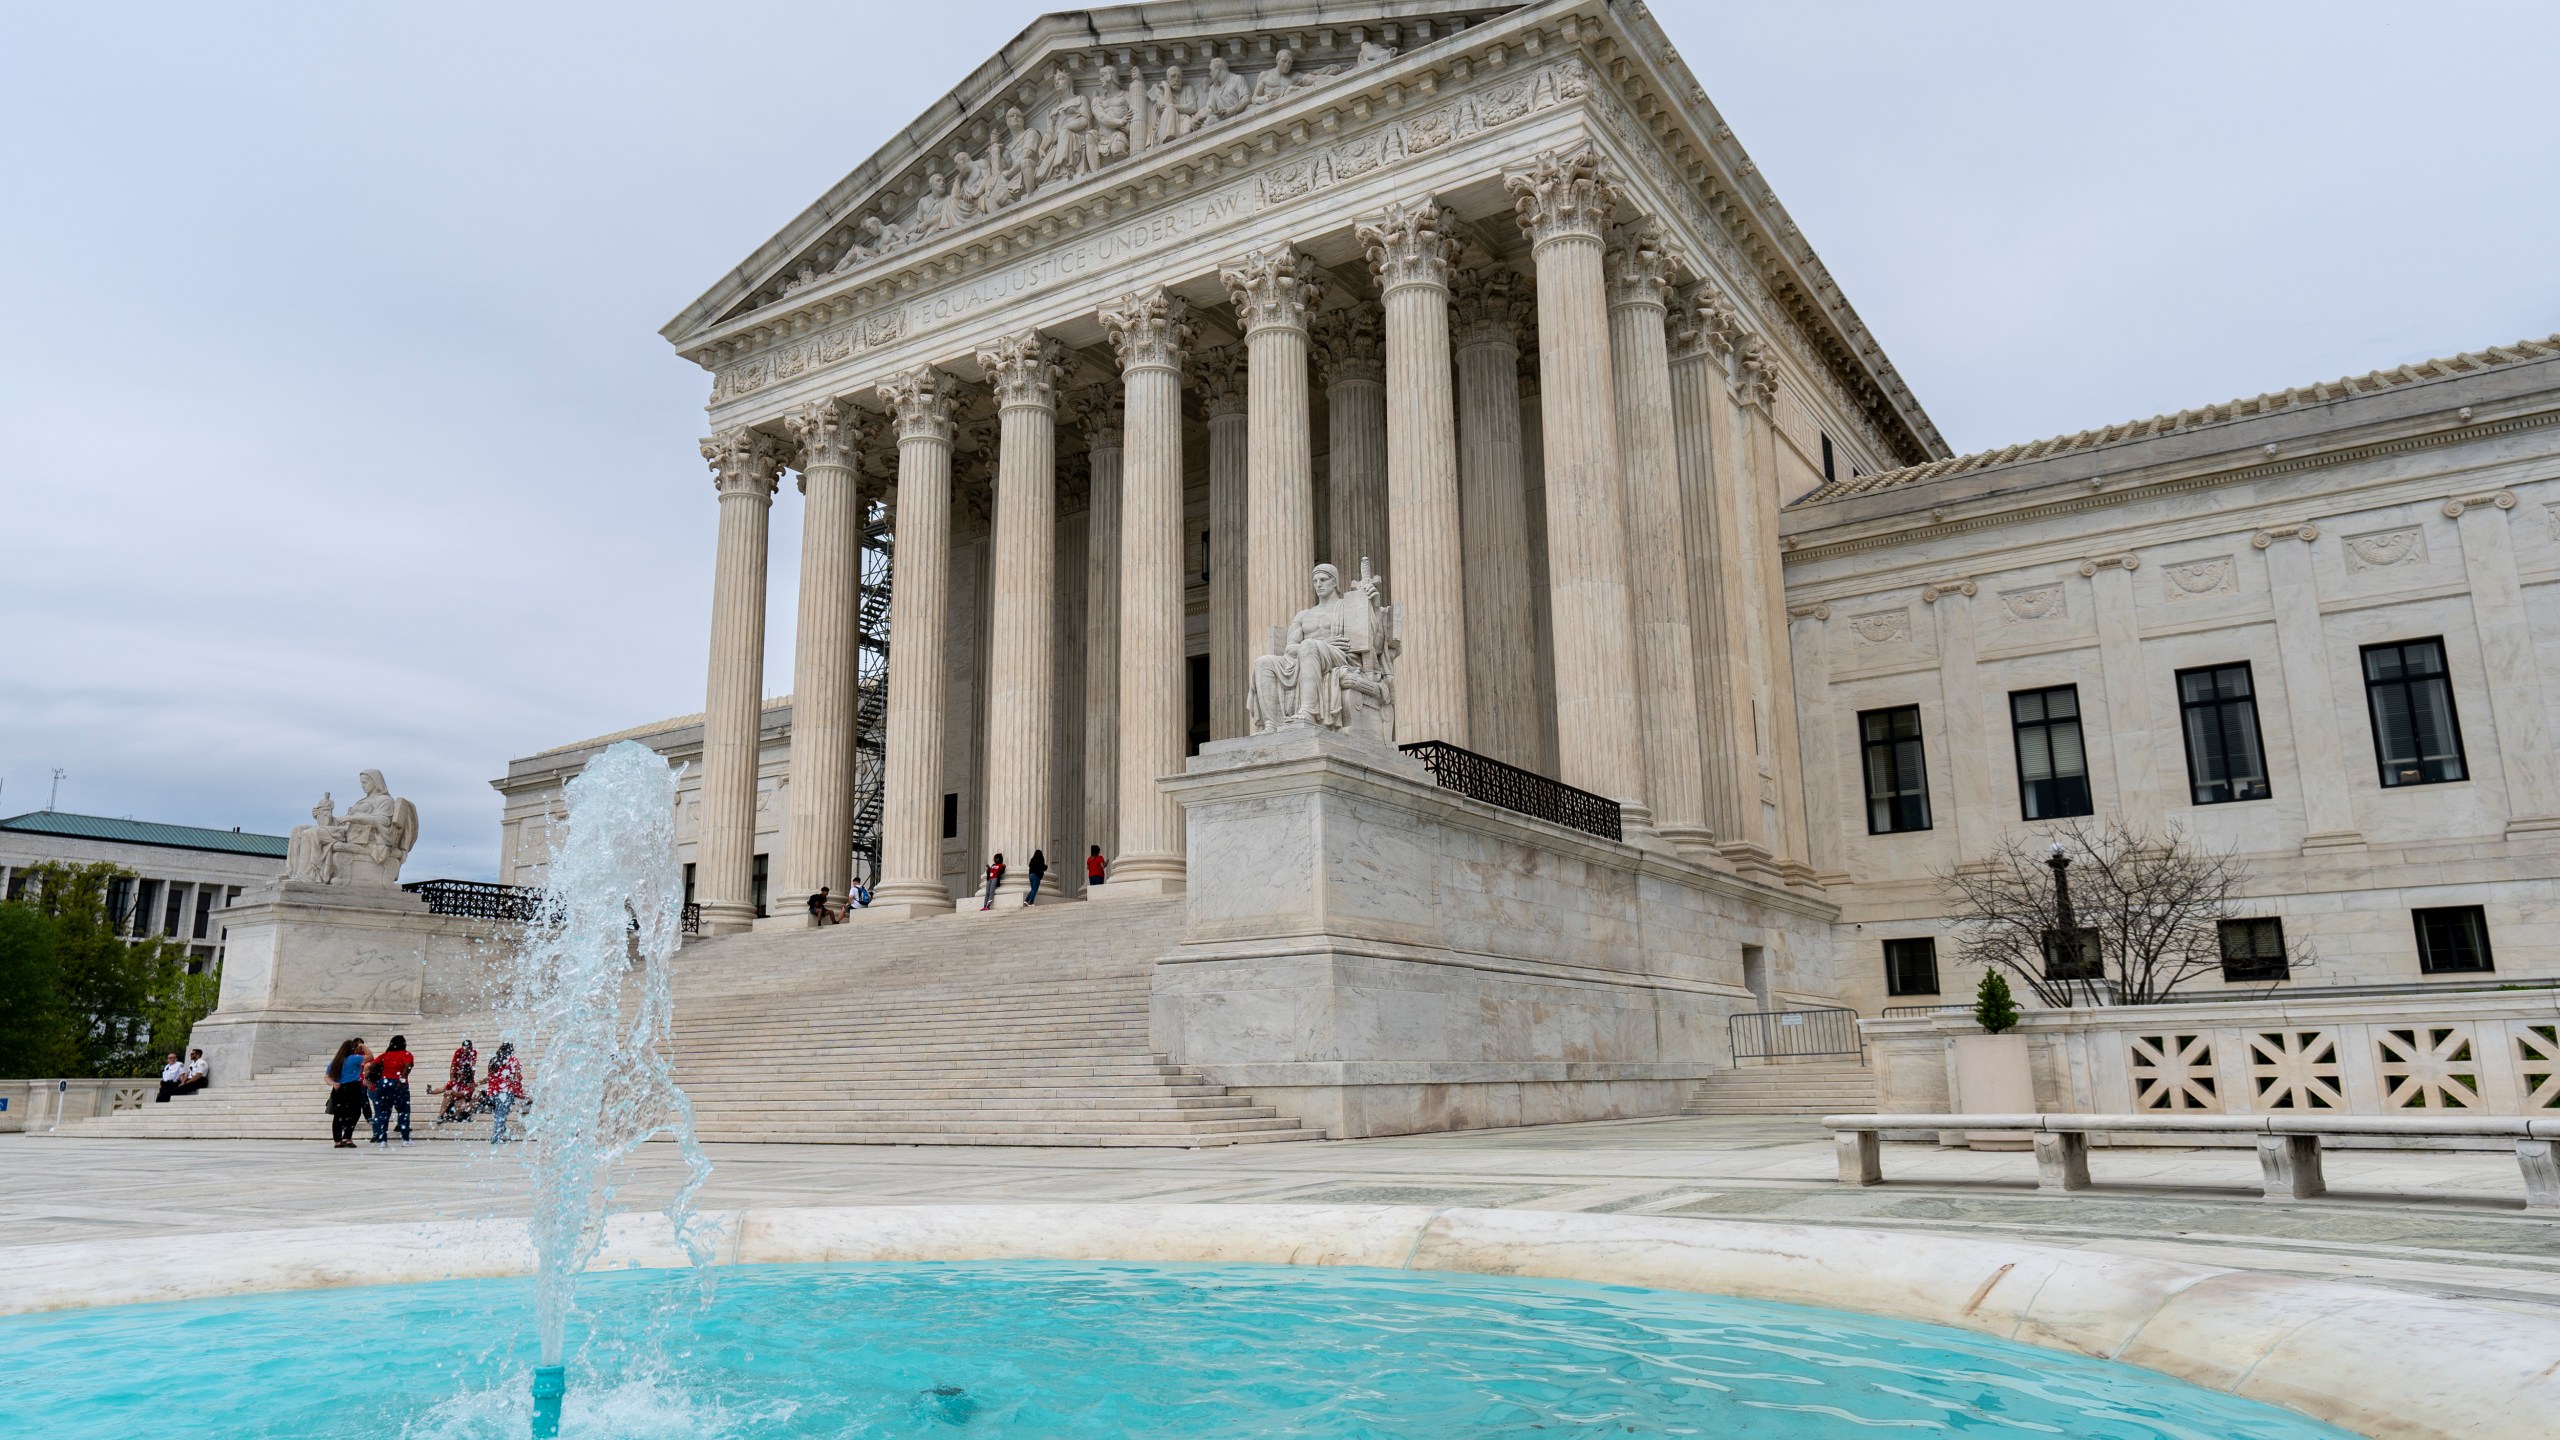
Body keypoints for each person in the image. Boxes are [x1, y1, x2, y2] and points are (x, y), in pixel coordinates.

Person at [371, 1034, 416, 1147]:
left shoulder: (384, 1055)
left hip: (383, 1083)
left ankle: (383, 1141)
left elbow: (372, 1065)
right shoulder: (406, 1054)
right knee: (403, 1112)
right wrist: (402, 1078)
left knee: (384, 1113)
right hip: (398, 1083)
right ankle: (405, 1139)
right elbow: (409, 1065)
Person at [325, 1038, 369, 1148]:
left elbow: (326, 1077)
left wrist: (334, 1084)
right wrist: (363, 1046)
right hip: (352, 1088)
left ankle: (337, 1140)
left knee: (338, 1114)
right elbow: (370, 1056)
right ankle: (347, 1137)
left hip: (338, 1089)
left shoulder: (335, 1061)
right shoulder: (354, 1059)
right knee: (355, 1112)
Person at [485, 1042, 525, 1143]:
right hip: (505, 1092)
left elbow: (490, 1077)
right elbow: (516, 1078)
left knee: (499, 1113)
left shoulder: (493, 1060)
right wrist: (519, 1092)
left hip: (493, 1092)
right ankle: (497, 1137)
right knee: (501, 1114)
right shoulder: (513, 1061)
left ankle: (502, 1131)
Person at [435, 1039, 479, 1125]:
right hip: (458, 1073)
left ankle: (456, 1114)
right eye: (463, 1049)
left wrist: (470, 1079)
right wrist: (452, 1078)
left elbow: (473, 1066)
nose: (464, 1051)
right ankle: (442, 1115)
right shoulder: (458, 1052)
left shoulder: (473, 1052)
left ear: (470, 1048)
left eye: (466, 1050)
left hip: (466, 1074)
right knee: (451, 1092)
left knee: (465, 1099)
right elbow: (453, 1065)